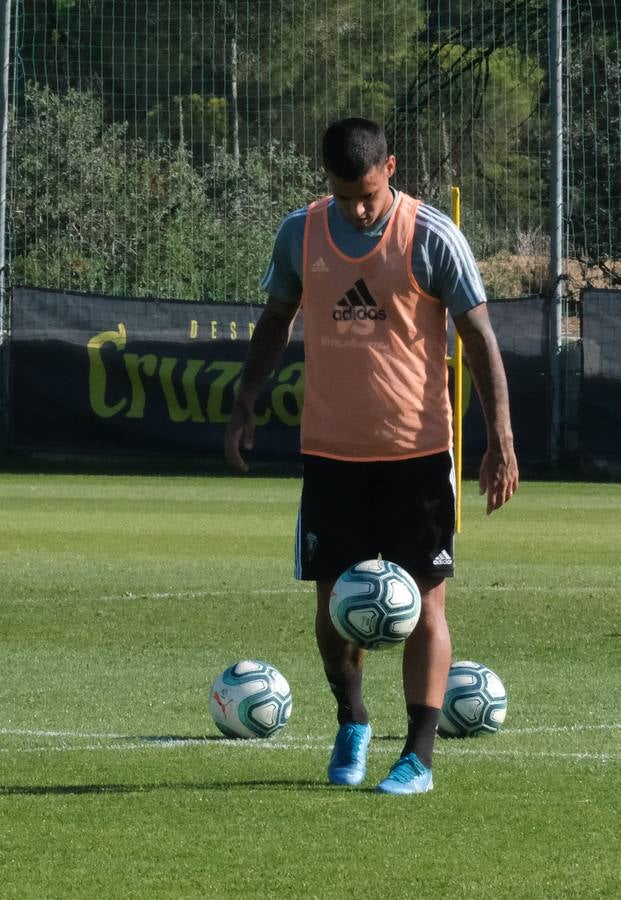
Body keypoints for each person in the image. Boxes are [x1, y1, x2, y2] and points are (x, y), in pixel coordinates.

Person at [224, 117, 519, 795]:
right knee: (335, 609)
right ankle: (351, 717)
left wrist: (498, 437)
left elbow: (478, 336)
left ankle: (417, 754)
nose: (357, 207)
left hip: (417, 454)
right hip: (330, 453)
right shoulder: (301, 231)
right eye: (342, 194)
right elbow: (275, 319)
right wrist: (246, 401)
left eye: (366, 193)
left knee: (426, 605)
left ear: (390, 168)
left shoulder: (431, 235)